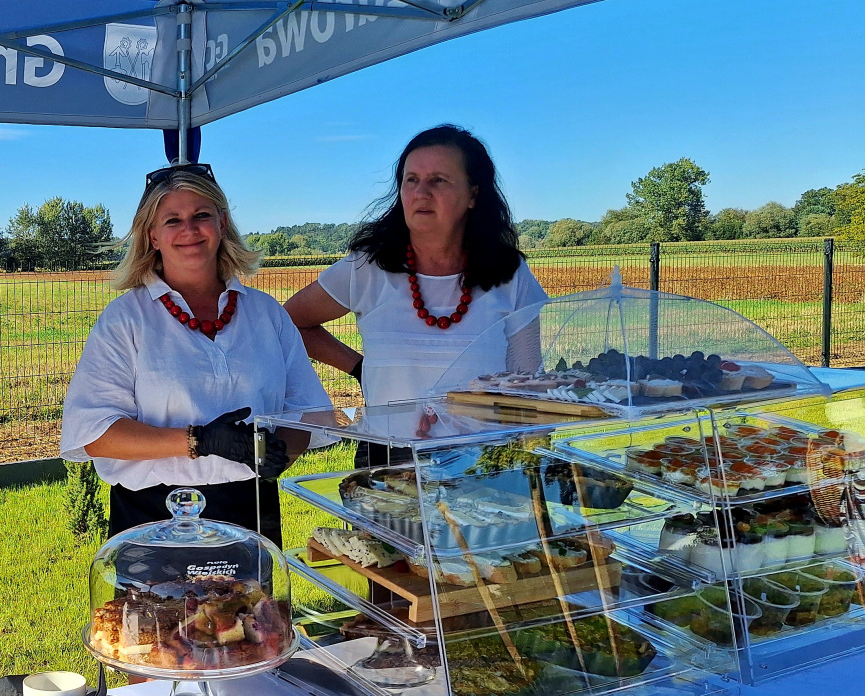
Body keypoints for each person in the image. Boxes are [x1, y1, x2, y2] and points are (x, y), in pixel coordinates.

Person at [61, 163, 330, 545]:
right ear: (152, 235)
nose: (189, 229)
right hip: (151, 518)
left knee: (255, 589)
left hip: (251, 509)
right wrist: (200, 441)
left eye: (201, 215)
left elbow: (306, 411)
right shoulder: (126, 319)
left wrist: (280, 452)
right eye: (172, 220)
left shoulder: (266, 313)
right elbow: (96, 434)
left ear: (222, 224)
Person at [284, 125, 547, 463]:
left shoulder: (510, 273)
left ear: (473, 194)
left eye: (438, 180)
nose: (421, 192)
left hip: (483, 464)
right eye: (411, 180)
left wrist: (527, 457)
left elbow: (527, 383)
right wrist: (358, 368)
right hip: (386, 463)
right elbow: (290, 323)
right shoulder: (366, 267)